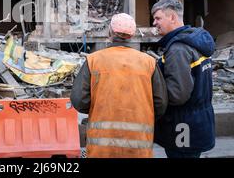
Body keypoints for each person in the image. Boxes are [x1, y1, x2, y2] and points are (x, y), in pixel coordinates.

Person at [71, 13, 168, 158]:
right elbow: (160, 103)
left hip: (102, 148)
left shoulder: (93, 60)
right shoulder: (149, 62)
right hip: (138, 147)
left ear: (110, 32)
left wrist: (98, 108)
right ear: (133, 34)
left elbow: (79, 100)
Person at [151, 0, 216, 158]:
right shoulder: (195, 42)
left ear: (172, 17)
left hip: (182, 126)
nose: (154, 23)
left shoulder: (178, 49)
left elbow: (177, 95)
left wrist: (152, 95)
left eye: (158, 18)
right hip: (198, 121)